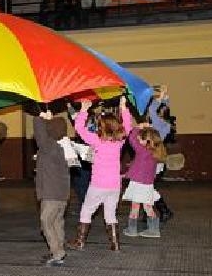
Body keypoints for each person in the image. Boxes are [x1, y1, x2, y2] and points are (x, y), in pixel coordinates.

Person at [68, 96, 132, 251]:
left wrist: (83, 110)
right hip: (115, 185)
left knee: (86, 211)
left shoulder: (97, 141)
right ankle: (115, 244)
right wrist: (123, 107)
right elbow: (128, 126)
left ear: (102, 127)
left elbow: (80, 129)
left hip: (98, 185)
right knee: (110, 215)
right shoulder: (120, 142)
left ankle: (80, 241)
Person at [34, 111, 71, 266]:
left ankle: (57, 253)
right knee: (57, 222)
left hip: (51, 193)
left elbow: (39, 131)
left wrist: (41, 118)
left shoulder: (49, 145)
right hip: (62, 193)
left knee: (46, 222)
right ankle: (58, 249)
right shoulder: (64, 146)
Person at [122, 124, 167, 238]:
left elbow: (131, 138)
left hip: (138, 184)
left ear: (148, 141)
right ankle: (153, 229)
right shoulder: (153, 153)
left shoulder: (143, 151)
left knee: (135, 207)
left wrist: (139, 127)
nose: (138, 138)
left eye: (141, 138)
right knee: (148, 207)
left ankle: (132, 229)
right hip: (147, 185)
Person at [148, 85, 175, 222]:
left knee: (147, 187)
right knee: (147, 186)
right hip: (158, 158)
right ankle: (149, 213)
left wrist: (160, 97)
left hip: (153, 159)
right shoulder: (166, 124)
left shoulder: (158, 124)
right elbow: (163, 108)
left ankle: (164, 210)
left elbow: (152, 109)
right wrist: (165, 96)